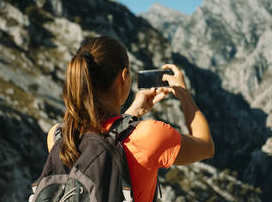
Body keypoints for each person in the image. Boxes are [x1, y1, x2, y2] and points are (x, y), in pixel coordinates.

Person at [46, 36, 214, 202]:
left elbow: (102, 139)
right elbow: (206, 146)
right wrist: (184, 94)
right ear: (124, 77)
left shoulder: (58, 135)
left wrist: (133, 113)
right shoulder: (150, 135)